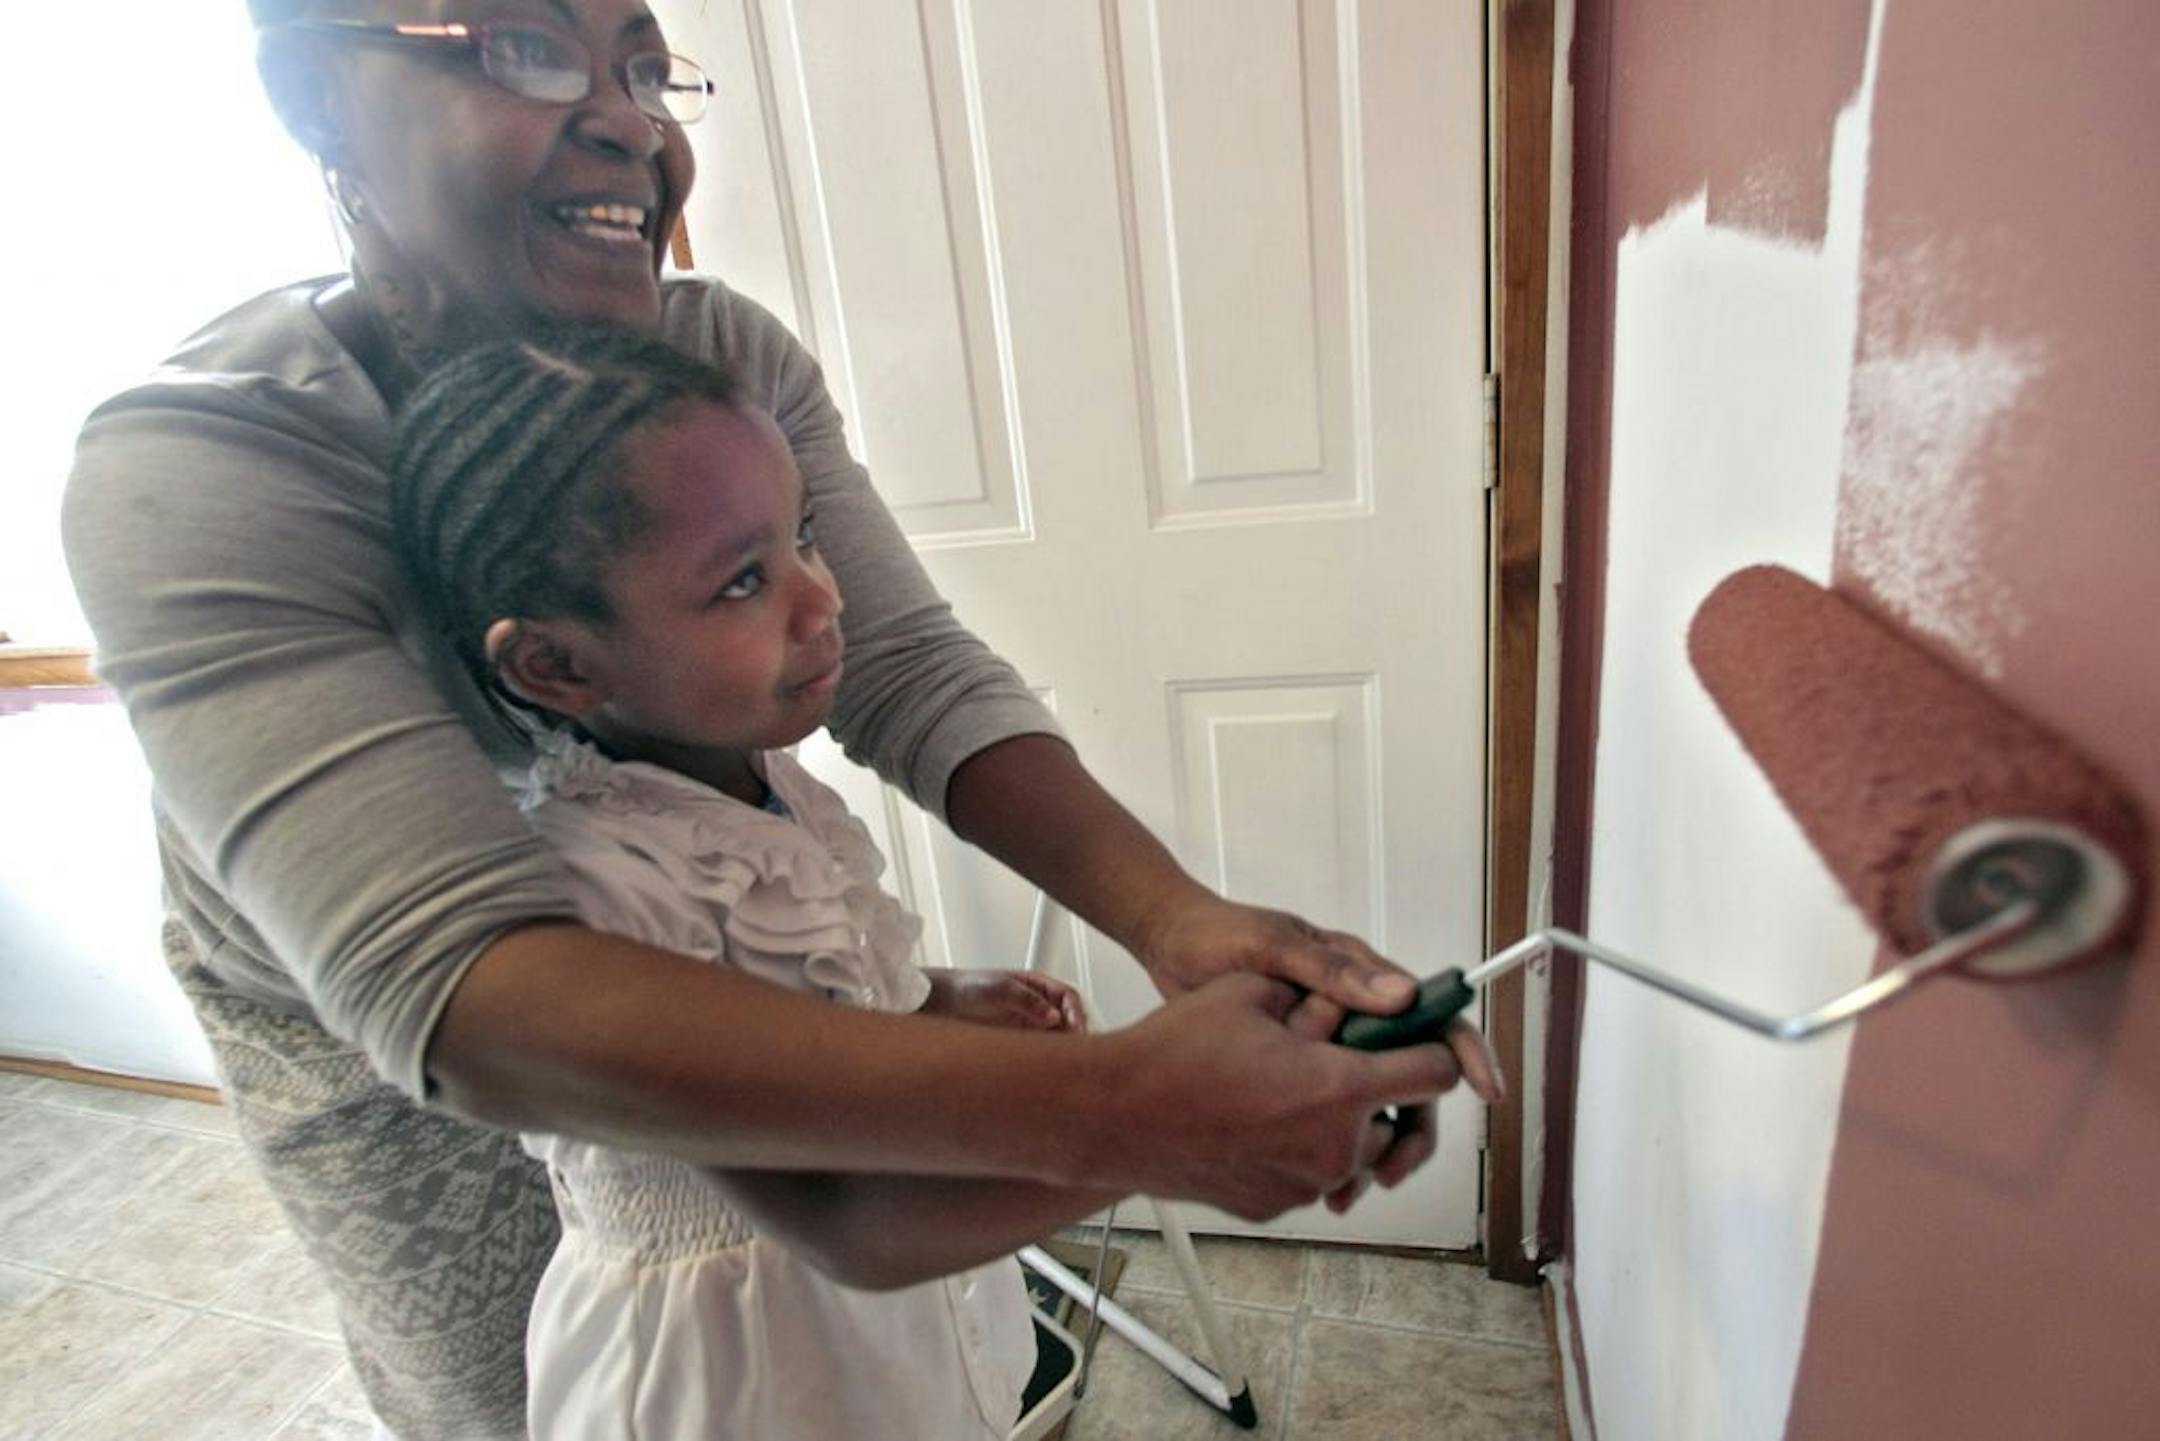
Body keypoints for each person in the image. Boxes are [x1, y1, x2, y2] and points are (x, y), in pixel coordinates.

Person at [61, 1, 1501, 1435]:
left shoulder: (720, 369)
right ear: (314, 94)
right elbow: (464, 983)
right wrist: (1122, 1111)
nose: (629, 118)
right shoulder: (203, 464)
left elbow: (905, 668)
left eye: (641, 63)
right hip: (379, 1018)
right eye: (522, 47)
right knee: (509, 1388)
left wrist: (1169, 921)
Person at [392, 322, 1112, 1438]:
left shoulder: (767, 779)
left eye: (806, 538)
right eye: (742, 579)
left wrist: (927, 996)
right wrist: (1159, 1125)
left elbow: (798, 990)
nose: (823, 600)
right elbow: (835, 1202)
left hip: (880, 1331)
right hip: (742, 1370)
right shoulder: (589, 891)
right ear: (558, 665)